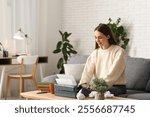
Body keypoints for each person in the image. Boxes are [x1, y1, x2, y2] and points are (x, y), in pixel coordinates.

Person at [78, 23, 126, 96]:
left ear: (108, 36)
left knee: (97, 94)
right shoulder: (95, 53)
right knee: (81, 91)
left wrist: (96, 87)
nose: (97, 40)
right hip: (98, 87)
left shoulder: (119, 51)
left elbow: (113, 74)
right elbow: (87, 72)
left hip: (116, 87)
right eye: (95, 37)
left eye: (100, 37)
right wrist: (83, 86)